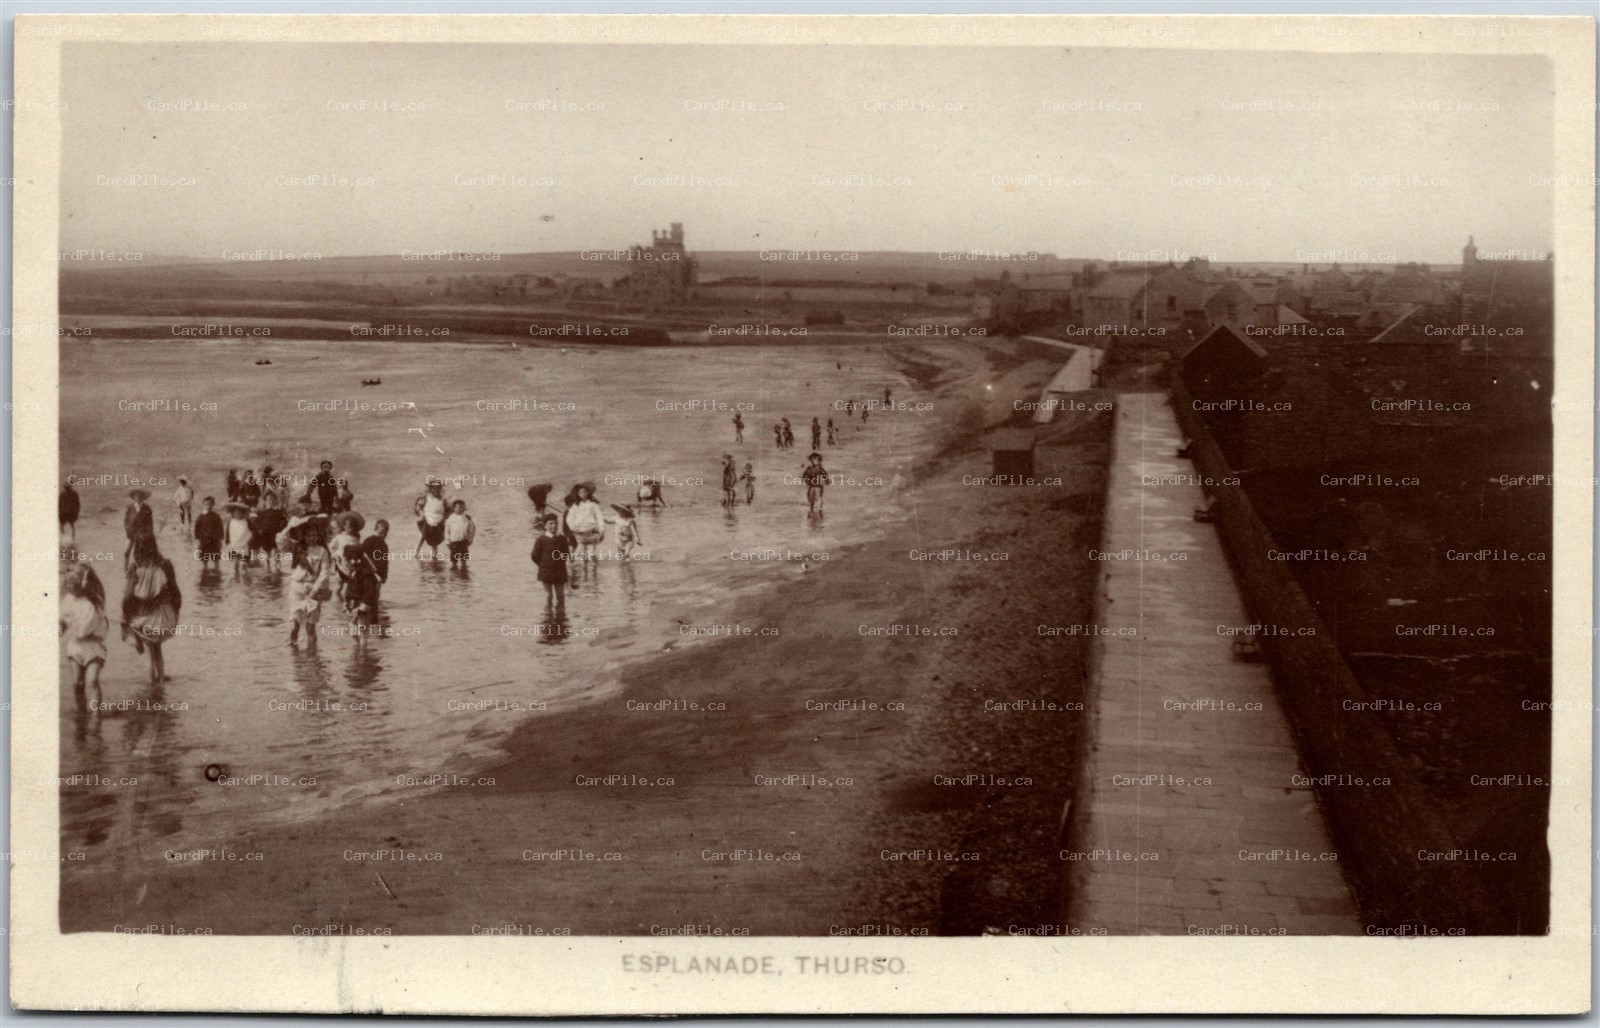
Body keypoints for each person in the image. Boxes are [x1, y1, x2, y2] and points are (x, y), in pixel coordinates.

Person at [122, 531, 180, 684]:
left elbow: (128, 597)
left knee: (149, 651)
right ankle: (161, 679)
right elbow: (175, 592)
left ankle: (151, 683)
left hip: (145, 616)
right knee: (158, 649)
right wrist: (176, 613)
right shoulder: (165, 564)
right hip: (163, 616)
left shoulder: (134, 568)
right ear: (155, 545)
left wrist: (126, 616)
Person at [61, 560, 109, 718]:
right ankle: (82, 713)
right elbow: (63, 622)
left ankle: (96, 714)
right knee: (77, 683)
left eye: (73, 586)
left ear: (83, 584)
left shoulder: (95, 602)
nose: (70, 589)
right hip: (75, 647)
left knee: (92, 681)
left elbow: (85, 629)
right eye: (68, 585)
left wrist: (71, 627)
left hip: (93, 647)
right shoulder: (68, 600)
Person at [286, 520, 333, 647]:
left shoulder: (322, 551)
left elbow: (325, 572)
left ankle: (312, 658)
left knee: (310, 627)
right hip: (298, 589)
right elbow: (281, 541)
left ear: (319, 536)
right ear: (303, 536)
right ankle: (294, 656)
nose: (312, 538)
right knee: (294, 625)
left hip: (314, 590)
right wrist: (289, 526)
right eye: (308, 535)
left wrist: (315, 589)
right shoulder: (297, 548)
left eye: (314, 535)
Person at [531, 513, 570, 609]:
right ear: (545, 526)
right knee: (548, 596)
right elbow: (535, 556)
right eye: (551, 523)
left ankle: (560, 619)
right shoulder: (541, 540)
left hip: (560, 571)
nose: (554, 526)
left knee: (561, 596)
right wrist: (544, 565)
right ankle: (548, 619)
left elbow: (566, 553)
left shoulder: (562, 539)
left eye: (556, 523)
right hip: (546, 572)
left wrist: (560, 563)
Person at [565, 483, 605, 562]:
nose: (583, 494)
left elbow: (599, 517)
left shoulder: (593, 505)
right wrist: (573, 528)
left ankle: (592, 571)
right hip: (580, 533)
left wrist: (602, 529)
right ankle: (584, 570)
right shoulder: (575, 506)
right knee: (582, 555)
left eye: (585, 492)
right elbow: (569, 518)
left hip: (592, 532)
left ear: (588, 493)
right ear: (578, 494)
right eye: (581, 492)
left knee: (592, 554)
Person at [329, 512, 363, 600]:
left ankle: (345, 601)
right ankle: (337, 598)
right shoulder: (340, 537)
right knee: (339, 585)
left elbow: (359, 551)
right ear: (344, 527)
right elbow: (331, 547)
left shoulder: (356, 539)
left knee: (349, 584)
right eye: (348, 527)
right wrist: (334, 555)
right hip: (340, 563)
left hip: (350, 565)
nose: (350, 529)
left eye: (352, 527)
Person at [414, 477, 450, 561]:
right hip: (427, 520)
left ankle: (434, 556)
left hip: (438, 522)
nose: (436, 490)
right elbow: (418, 506)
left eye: (438, 488)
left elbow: (448, 510)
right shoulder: (426, 497)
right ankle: (415, 553)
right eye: (434, 488)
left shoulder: (443, 499)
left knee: (435, 540)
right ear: (430, 488)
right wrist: (421, 513)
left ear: (441, 489)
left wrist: (445, 518)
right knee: (422, 537)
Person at [250, 499, 289, 570]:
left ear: (274, 502)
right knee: (268, 550)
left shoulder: (278, 511)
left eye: (271, 500)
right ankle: (268, 564)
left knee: (276, 549)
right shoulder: (262, 512)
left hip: (276, 532)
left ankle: (278, 564)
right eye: (268, 500)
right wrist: (260, 530)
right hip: (266, 533)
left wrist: (283, 530)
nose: (270, 502)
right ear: (265, 502)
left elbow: (285, 520)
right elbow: (257, 522)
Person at [193, 497, 225, 565]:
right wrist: (198, 540)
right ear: (203, 505)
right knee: (204, 559)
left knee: (216, 559)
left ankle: (217, 571)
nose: (208, 506)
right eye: (206, 504)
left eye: (210, 504)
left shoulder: (216, 516)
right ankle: (205, 571)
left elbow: (220, 529)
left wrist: (220, 541)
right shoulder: (201, 517)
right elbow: (196, 529)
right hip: (204, 541)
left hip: (214, 541)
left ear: (213, 505)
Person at [123, 488, 154, 556]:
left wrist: (147, 533)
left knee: (143, 552)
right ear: (133, 497)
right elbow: (126, 520)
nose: (138, 498)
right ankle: (125, 566)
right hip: (132, 533)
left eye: (140, 496)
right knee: (126, 552)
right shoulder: (130, 508)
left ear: (143, 497)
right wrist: (128, 529)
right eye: (136, 496)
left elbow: (150, 522)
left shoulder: (147, 508)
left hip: (143, 533)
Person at [224, 502, 253, 571]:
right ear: (233, 513)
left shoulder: (247, 522)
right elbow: (228, 534)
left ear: (243, 513)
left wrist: (250, 543)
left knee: (243, 565)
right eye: (236, 512)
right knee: (235, 565)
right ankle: (236, 579)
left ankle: (244, 580)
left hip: (244, 547)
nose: (238, 514)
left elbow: (254, 533)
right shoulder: (230, 522)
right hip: (234, 546)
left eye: (240, 512)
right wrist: (227, 543)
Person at [445, 500, 476, 564]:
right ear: (454, 508)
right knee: (454, 560)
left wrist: (470, 539)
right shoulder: (450, 518)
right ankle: (454, 571)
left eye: (463, 507)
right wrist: (447, 541)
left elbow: (471, 530)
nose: (461, 509)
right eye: (459, 507)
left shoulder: (467, 518)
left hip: (464, 541)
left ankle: (464, 571)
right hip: (454, 542)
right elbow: (447, 531)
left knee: (464, 560)